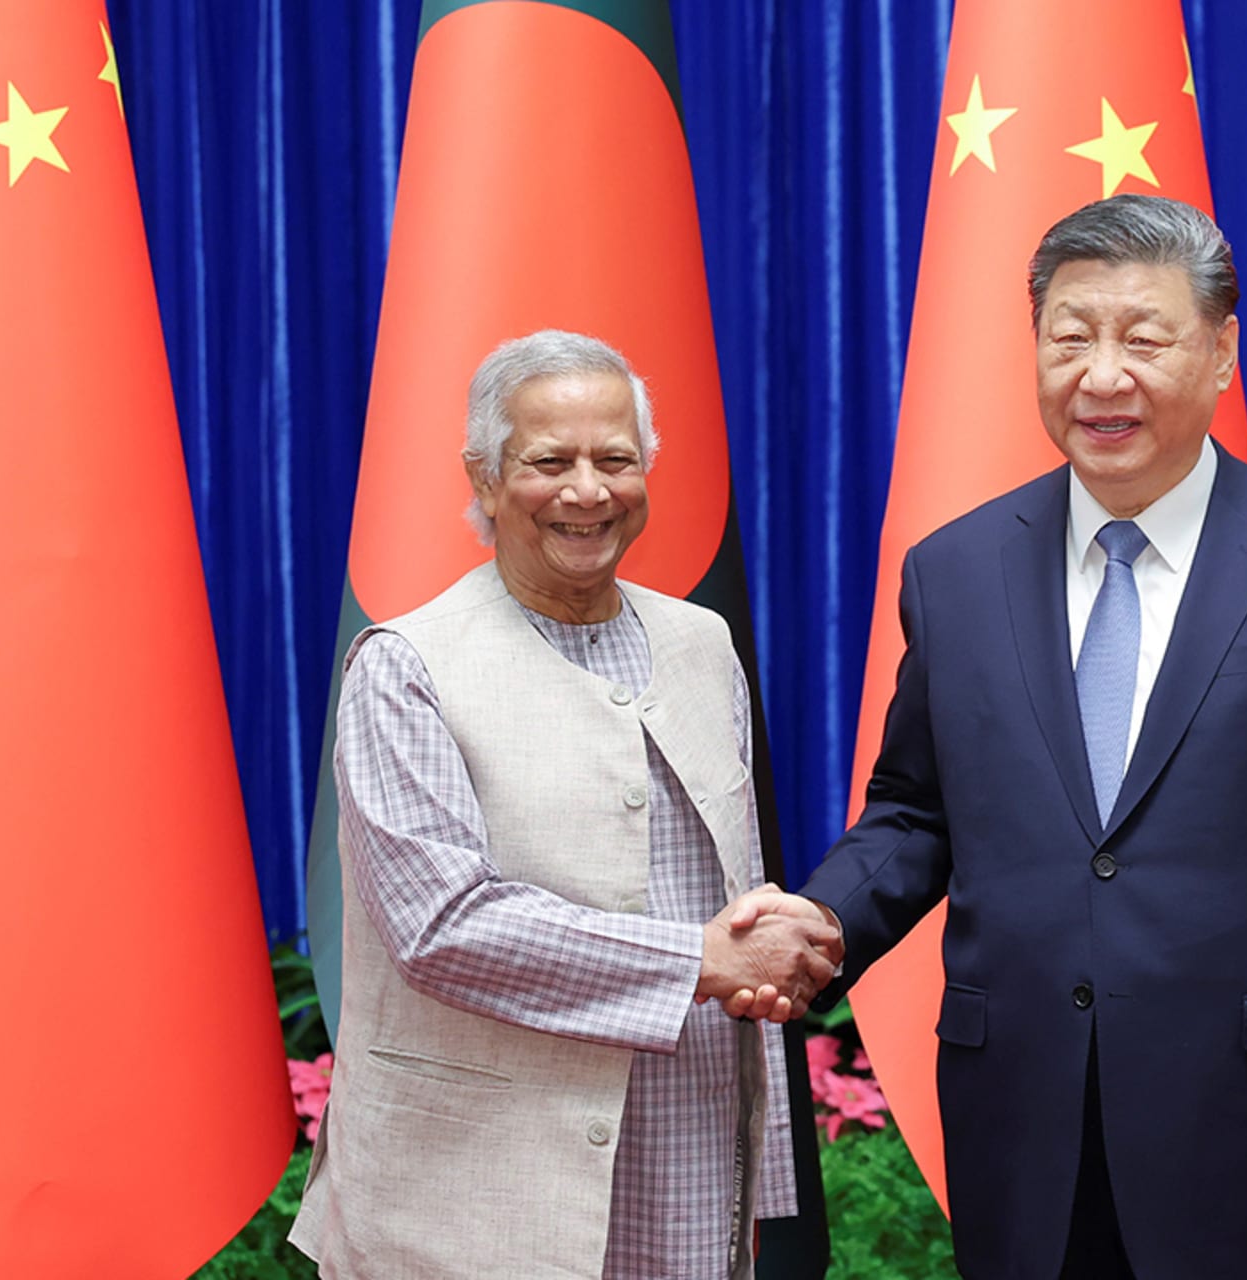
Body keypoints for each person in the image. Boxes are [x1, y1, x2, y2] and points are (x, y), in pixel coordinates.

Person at [770, 195, 1247, 1278]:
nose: (1102, 376)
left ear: (1221, 351)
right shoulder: (955, 571)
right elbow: (917, 809)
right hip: (1027, 1126)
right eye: (1071, 338)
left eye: (1143, 339)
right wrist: (820, 918)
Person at [289, 330, 841, 1280]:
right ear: (485, 475)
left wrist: (786, 945)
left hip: (691, 1150)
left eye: (615, 459)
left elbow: (738, 887)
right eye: (550, 461)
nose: (588, 491)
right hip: (481, 1187)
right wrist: (705, 959)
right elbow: (443, 926)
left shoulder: (703, 643)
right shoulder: (406, 665)